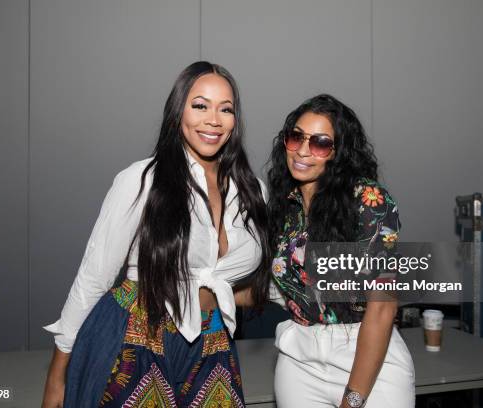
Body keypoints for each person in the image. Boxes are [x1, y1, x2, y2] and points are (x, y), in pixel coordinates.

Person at [41, 61, 271, 408]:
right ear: (178, 111)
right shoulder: (141, 179)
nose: (213, 119)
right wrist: (57, 377)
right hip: (136, 335)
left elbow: (255, 286)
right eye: (200, 105)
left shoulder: (253, 191)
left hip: (213, 338)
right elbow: (93, 279)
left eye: (226, 109)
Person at [266, 94, 415, 407]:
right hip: (299, 361)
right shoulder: (282, 205)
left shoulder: (370, 200)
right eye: (296, 137)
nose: (303, 151)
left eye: (320, 143)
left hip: (369, 358)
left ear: (339, 152)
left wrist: (354, 399)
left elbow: (383, 306)